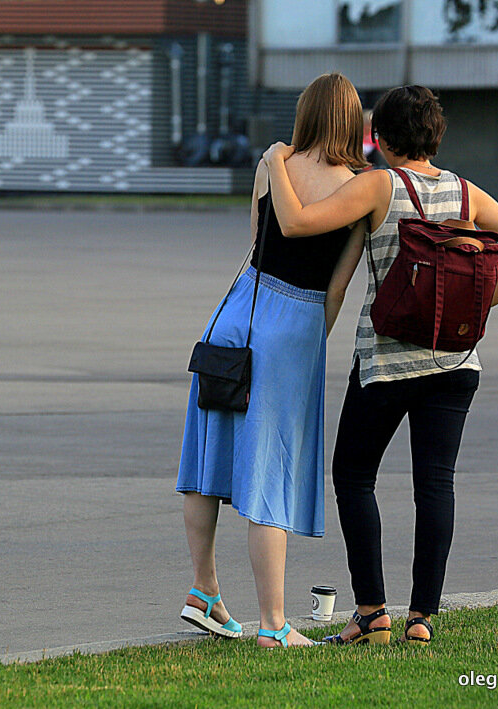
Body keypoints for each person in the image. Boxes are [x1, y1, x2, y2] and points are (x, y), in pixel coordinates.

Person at [262, 85, 498, 645]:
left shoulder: (379, 186)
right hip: (456, 361)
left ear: (384, 139)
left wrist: (275, 159)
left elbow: (295, 222)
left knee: (353, 475)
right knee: (435, 484)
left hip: (387, 362)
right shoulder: (469, 194)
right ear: (435, 136)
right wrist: (469, 307)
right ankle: (422, 617)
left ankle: (371, 613)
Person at [176, 73, 369, 648]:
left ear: (305, 113)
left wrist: (279, 166)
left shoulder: (271, 165)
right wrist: (313, 337)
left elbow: (257, 241)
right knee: (272, 471)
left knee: (208, 454)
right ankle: (274, 624)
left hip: (237, 310)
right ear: (352, 122)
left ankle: (204, 590)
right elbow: (336, 288)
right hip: (294, 323)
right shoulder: (356, 186)